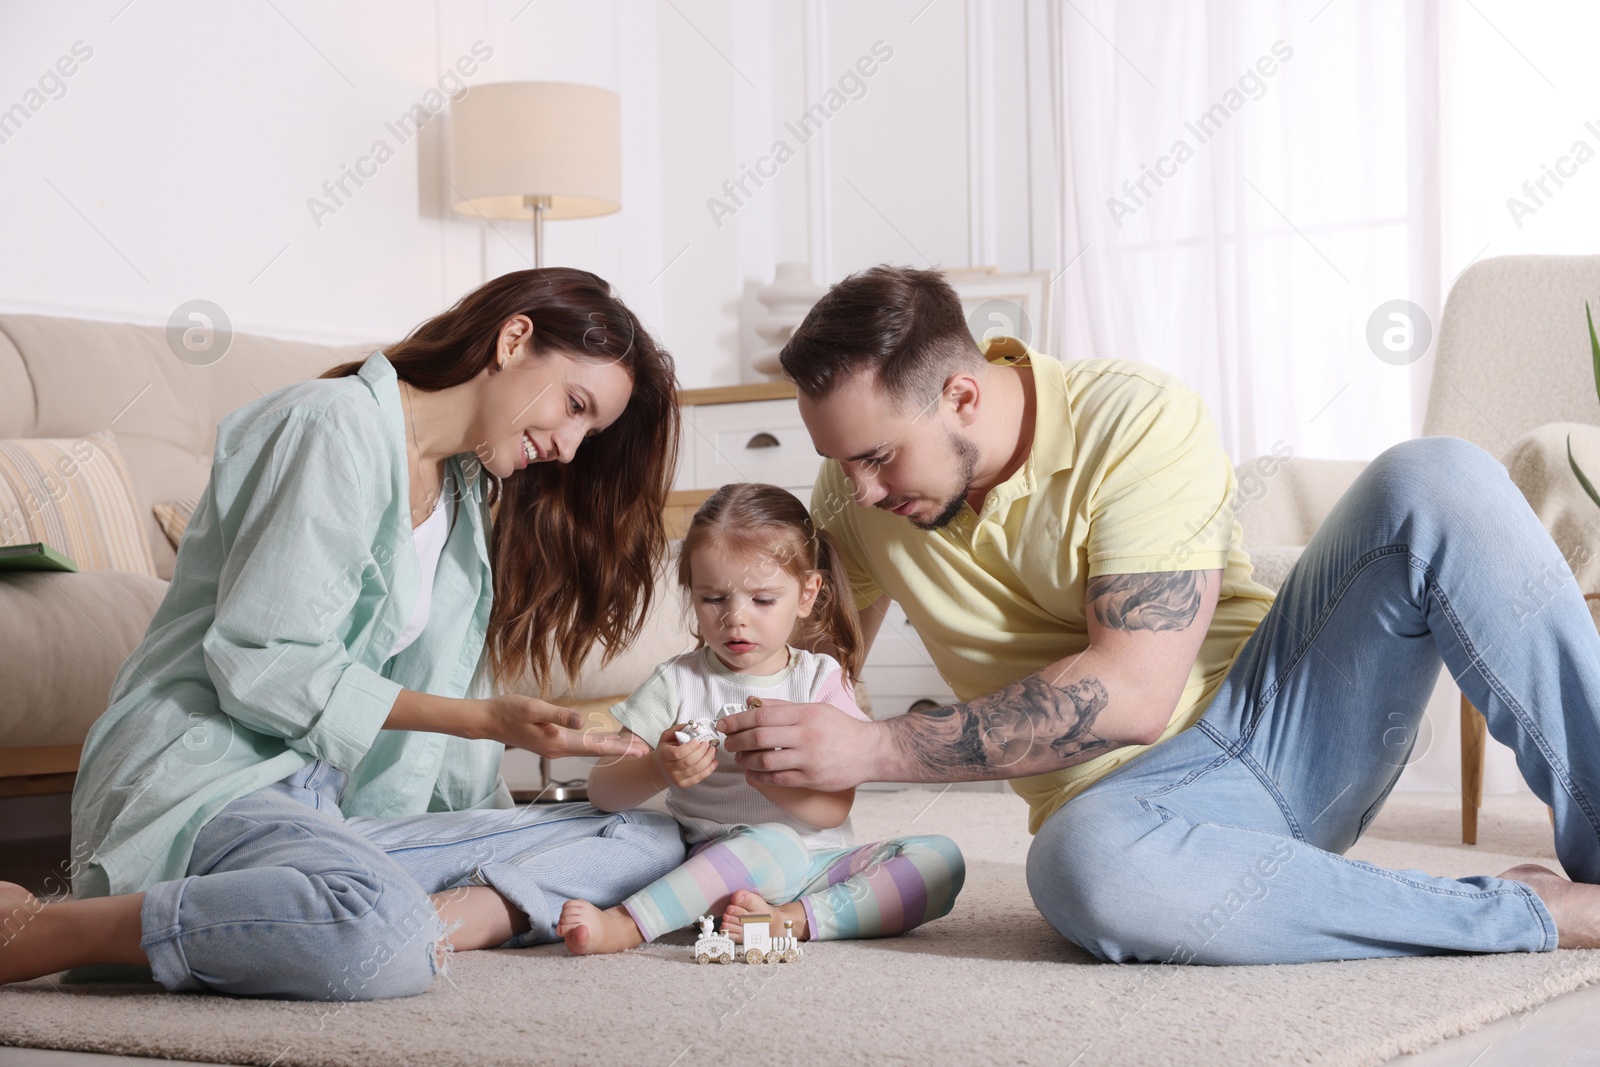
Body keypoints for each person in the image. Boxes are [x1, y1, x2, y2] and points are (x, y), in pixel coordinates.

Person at [719, 263, 1600, 964]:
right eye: (843, 462)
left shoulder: (1133, 418)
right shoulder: (855, 490)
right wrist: (762, 828)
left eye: (878, 457)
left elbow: (1133, 696)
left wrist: (875, 747)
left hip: (1283, 726)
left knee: (1435, 475)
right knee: (1078, 866)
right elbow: (805, 682)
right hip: (1128, 816)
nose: (860, 490)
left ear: (961, 396)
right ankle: (1531, 913)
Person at [0, 268, 691, 999]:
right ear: (514, 339)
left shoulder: (463, 492)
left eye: (590, 429)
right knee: (377, 936)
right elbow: (262, 665)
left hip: (335, 810)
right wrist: (487, 723)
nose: (571, 447)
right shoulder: (331, 426)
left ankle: (381, 918)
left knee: (646, 836)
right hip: (221, 779)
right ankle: (45, 930)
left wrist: (483, 807)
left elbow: (440, 719)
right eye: (575, 406)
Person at [555, 483, 965, 954]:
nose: (735, 619)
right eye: (713, 599)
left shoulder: (821, 680)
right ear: (691, 590)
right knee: (775, 843)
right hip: (724, 868)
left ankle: (791, 922)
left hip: (821, 869)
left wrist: (775, 781)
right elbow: (602, 792)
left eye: (763, 600)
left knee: (940, 859)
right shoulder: (676, 683)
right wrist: (657, 769)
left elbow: (835, 809)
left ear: (807, 594)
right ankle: (628, 925)